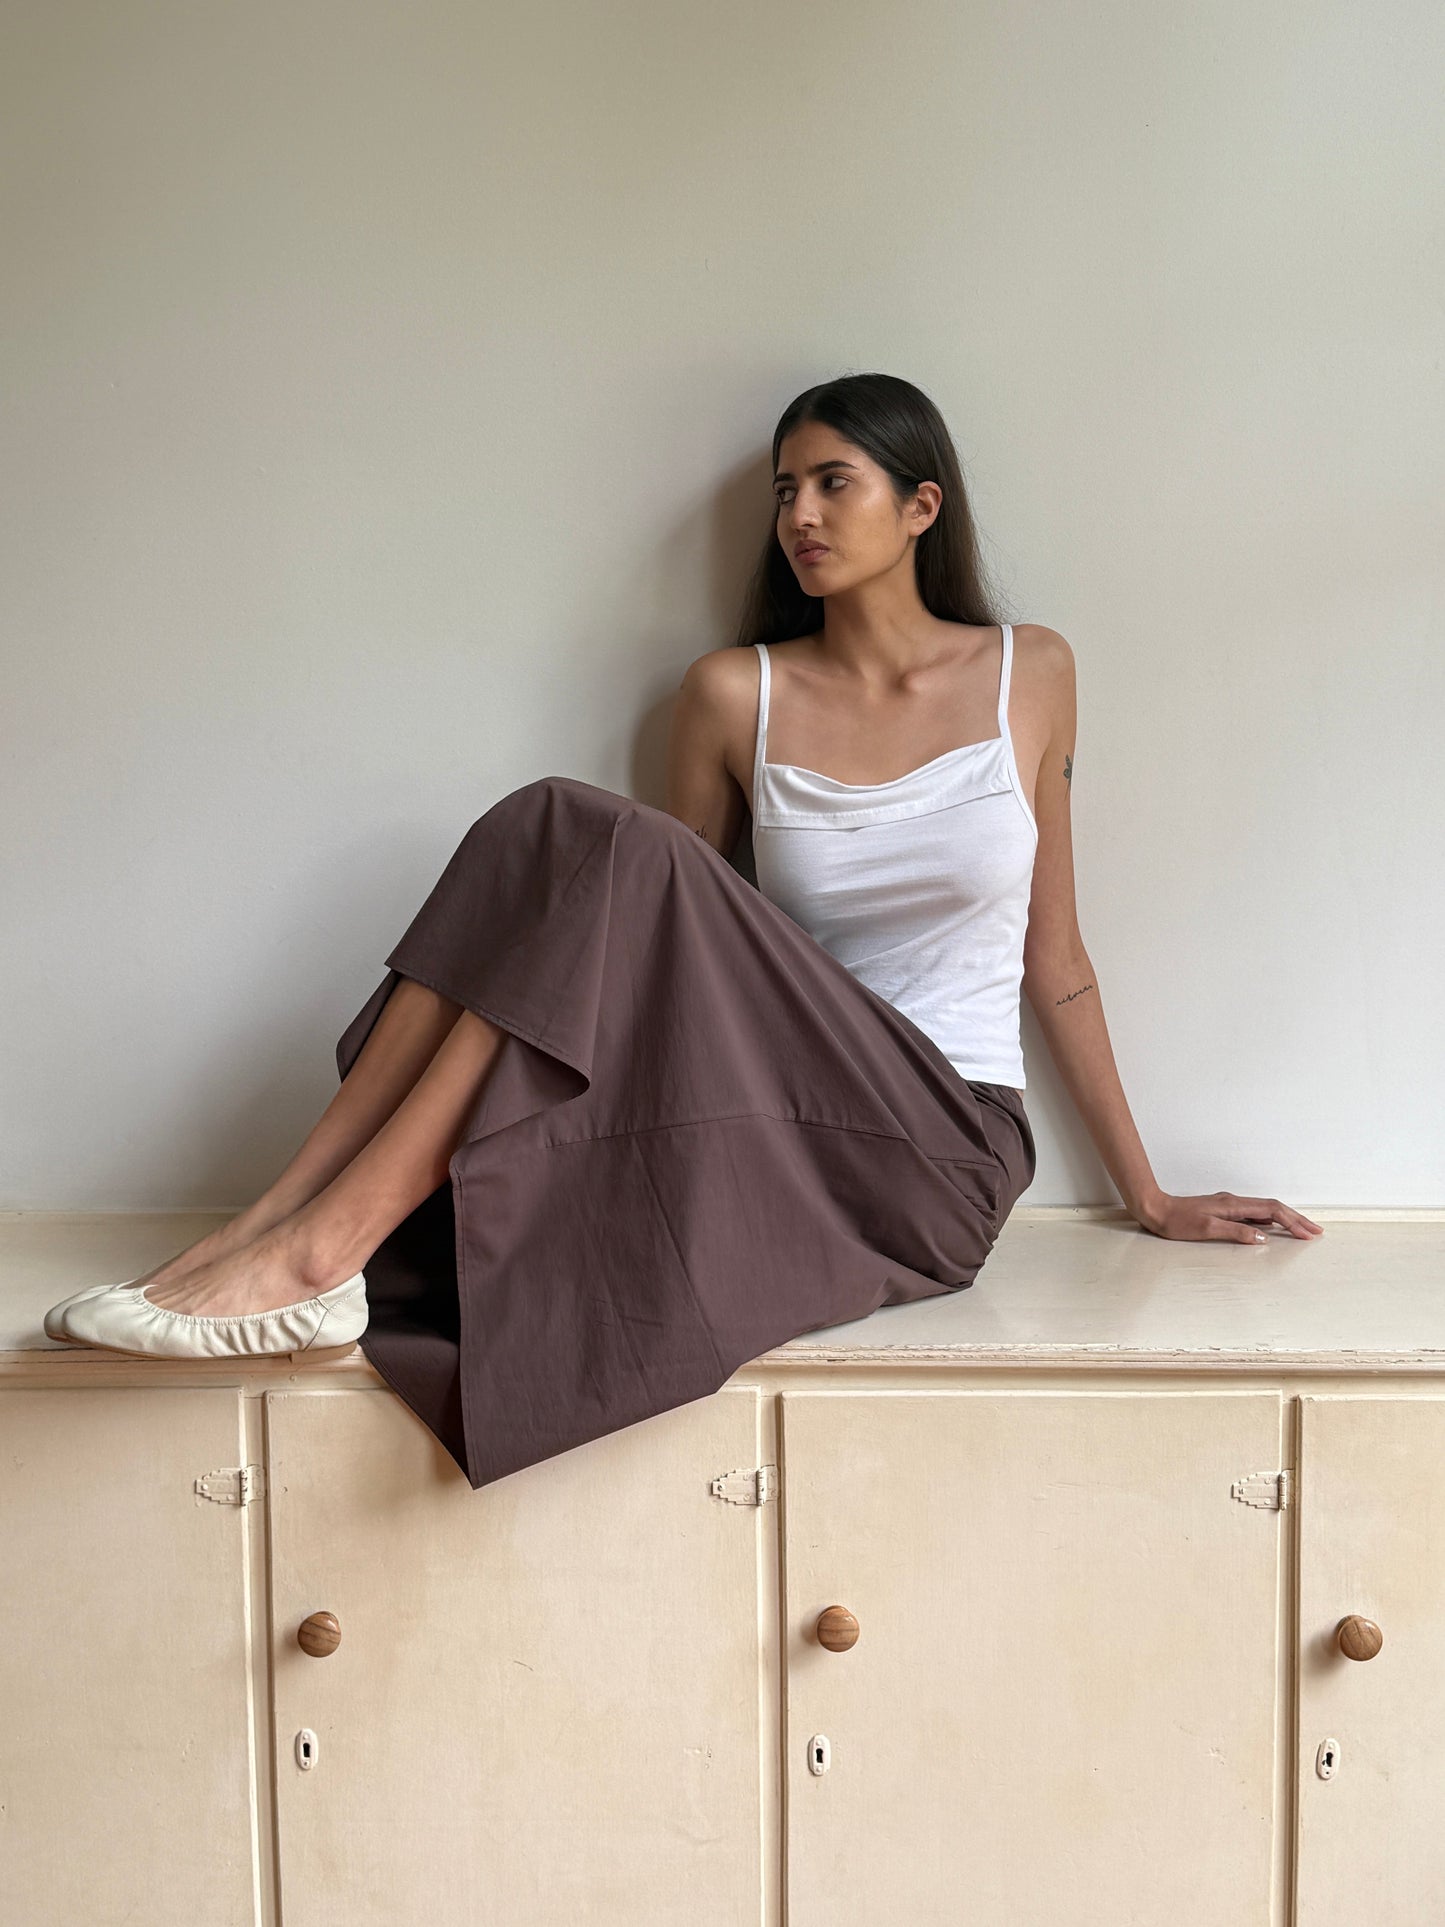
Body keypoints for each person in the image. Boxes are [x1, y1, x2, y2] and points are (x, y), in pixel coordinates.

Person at [46, 372, 1322, 1486]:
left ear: (920, 505)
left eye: (833, 483)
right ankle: (278, 1224)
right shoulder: (732, 692)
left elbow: (1058, 962)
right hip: (788, 1107)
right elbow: (630, 952)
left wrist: (1144, 1195)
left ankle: (322, 1246)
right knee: (556, 826)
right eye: (783, 491)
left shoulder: (1028, 673)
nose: (800, 517)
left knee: (610, 840)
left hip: (939, 1147)